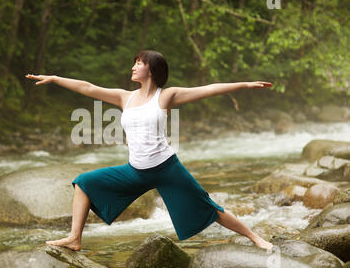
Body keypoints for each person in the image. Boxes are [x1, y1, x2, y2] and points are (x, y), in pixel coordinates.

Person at [25, 50, 274, 251]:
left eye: (139, 63)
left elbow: (208, 89)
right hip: (136, 171)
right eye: (134, 63)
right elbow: (88, 88)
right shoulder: (125, 97)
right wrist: (56, 79)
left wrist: (245, 84)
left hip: (167, 169)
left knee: (208, 207)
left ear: (151, 69)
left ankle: (254, 237)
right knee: (84, 182)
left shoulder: (166, 96)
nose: (133, 67)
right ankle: (74, 238)